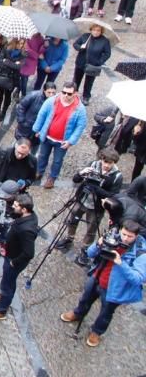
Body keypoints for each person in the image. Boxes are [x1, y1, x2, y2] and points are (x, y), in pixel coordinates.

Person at [60, 219, 146, 347]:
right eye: (124, 234)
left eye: (130, 236)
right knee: (85, 298)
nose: (125, 238)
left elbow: (138, 278)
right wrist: (98, 245)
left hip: (115, 288)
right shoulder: (113, 236)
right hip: (97, 276)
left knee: (106, 312)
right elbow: (90, 253)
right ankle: (78, 313)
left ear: (137, 236)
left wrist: (121, 263)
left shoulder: (141, 253)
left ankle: (97, 331)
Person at [57, 150, 123, 259]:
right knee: (72, 220)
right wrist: (81, 173)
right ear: (101, 159)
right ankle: (69, 238)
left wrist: (97, 189)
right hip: (82, 199)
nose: (106, 165)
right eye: (104, 161)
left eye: (110, 163)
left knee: (91, 229)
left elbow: (112, 196)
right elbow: (76, 179)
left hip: (96, 207)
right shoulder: (93, 165)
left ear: (114, 162)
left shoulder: (117, 176)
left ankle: (85, 248)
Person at [0, 193, 38, 321]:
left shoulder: (27, 230)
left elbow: (29, 253)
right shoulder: (27, 215)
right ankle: (3, 296)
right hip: (11, 253)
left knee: (8, 284)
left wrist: (14, 262)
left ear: (24, 210)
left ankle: (1, 310)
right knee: (6, 280)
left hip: (14, 259)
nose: (13, 207)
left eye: (15, 206)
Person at [33, 82, 88, 189]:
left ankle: (52, 178)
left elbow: (80, 127)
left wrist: (70, 141)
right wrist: (37, 129)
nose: (66, 95)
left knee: (57, 160)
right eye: (64, 92)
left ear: (75, 93)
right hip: (47, 136)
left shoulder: (80, 109)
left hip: (62, 141)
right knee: (42, 155)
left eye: (69, 93)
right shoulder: (52, 101)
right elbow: (42, 115)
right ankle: (39, 171)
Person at [73, 24, 111, 105]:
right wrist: (80, 47)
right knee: (76, 79)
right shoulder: (85, 36)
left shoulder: (105, 41)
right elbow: (75, 44)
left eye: (98, 30)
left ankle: (86, 97)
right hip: (81, 62)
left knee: (89, 82)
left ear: (101, 31)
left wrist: (99, 61)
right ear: (91, 29)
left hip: (93, 65)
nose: (96, 32)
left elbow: (107, 53)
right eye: (94, 30)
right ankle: (73, 93)